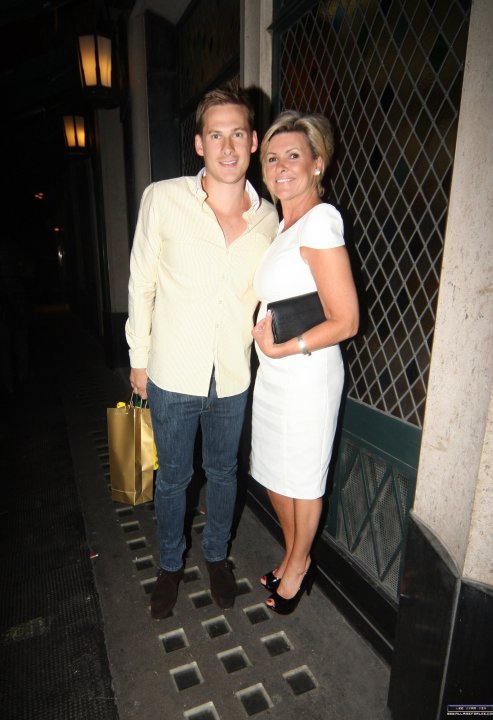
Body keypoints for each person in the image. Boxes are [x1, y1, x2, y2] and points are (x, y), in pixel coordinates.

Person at [126, 86, 278, 619]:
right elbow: (141, 283)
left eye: (237, 134)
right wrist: (138, 360)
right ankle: (170, 565)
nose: (227, 147)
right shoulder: (163, 199)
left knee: (224, 472)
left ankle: (216, 557)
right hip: (171, 371)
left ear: (253, 141)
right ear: (199, 144)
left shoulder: (270, 219)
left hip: (233, 374)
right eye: (216, 135)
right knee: (173, 477)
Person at [251, 110, 359, 615]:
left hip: (307, 374)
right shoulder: (283, 227)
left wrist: (284, 348)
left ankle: (297, 567)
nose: (280, 166)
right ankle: (295, 554)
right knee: (275, 475)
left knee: (302, 479)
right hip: (275, 374)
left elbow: (346, 320)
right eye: (272, 158)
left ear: (318, 163)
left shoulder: (320, 221)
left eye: (293, 155)